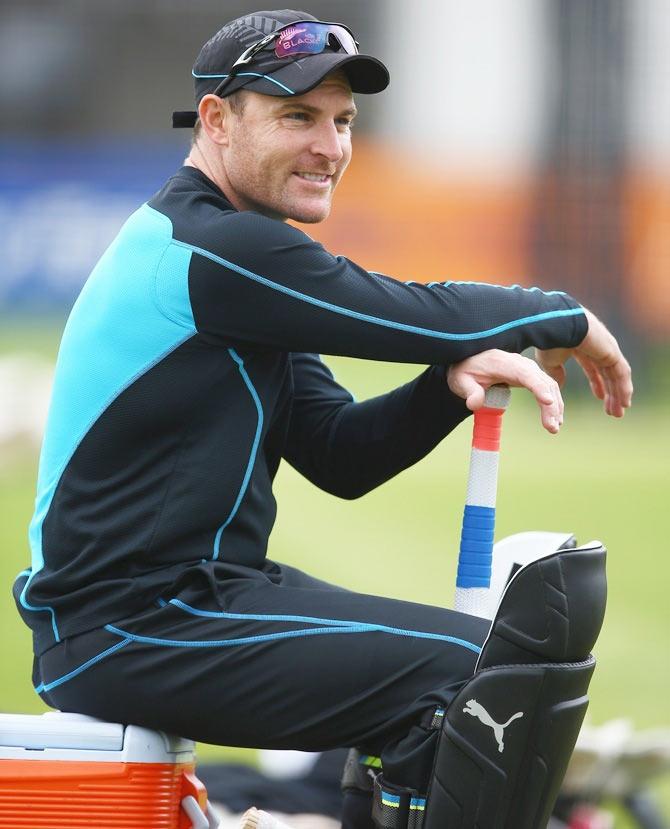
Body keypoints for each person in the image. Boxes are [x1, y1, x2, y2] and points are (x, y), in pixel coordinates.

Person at [14, 9, 632, 829]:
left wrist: (449, 385)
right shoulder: (215, 247)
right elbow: (410, 309)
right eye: (297, 115)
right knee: (476, 678)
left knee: (475, 672)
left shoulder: (233, 255)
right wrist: (559, 313)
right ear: (216, 120)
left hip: (185, 604)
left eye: (343, 121)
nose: (331, 146)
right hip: (137, 625)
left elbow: (344, 456)